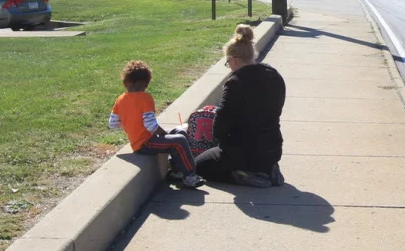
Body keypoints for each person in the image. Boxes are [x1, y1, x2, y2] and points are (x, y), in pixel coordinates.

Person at [195, 24, 286, 187]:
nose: (228, 65)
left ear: (235, 60)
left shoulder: (235, 83)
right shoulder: (274, 76)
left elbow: (219, 128)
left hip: (244, 152)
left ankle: (244, 175)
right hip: (273, 149)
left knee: (199, 166)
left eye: (227, 61)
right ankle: (268, 170)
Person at [109, 60, 205, 189]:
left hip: (140, 140)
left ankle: (177, 171)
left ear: (126, 83)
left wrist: (129, 122)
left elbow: (113, 123)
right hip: (145, 143)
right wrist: (163, 133)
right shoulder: (145, 98)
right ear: (146, 83)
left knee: (179, 132)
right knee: (179, 139)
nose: (140, 90)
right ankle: (189, 175)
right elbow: (151, 126)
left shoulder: (120, 100)